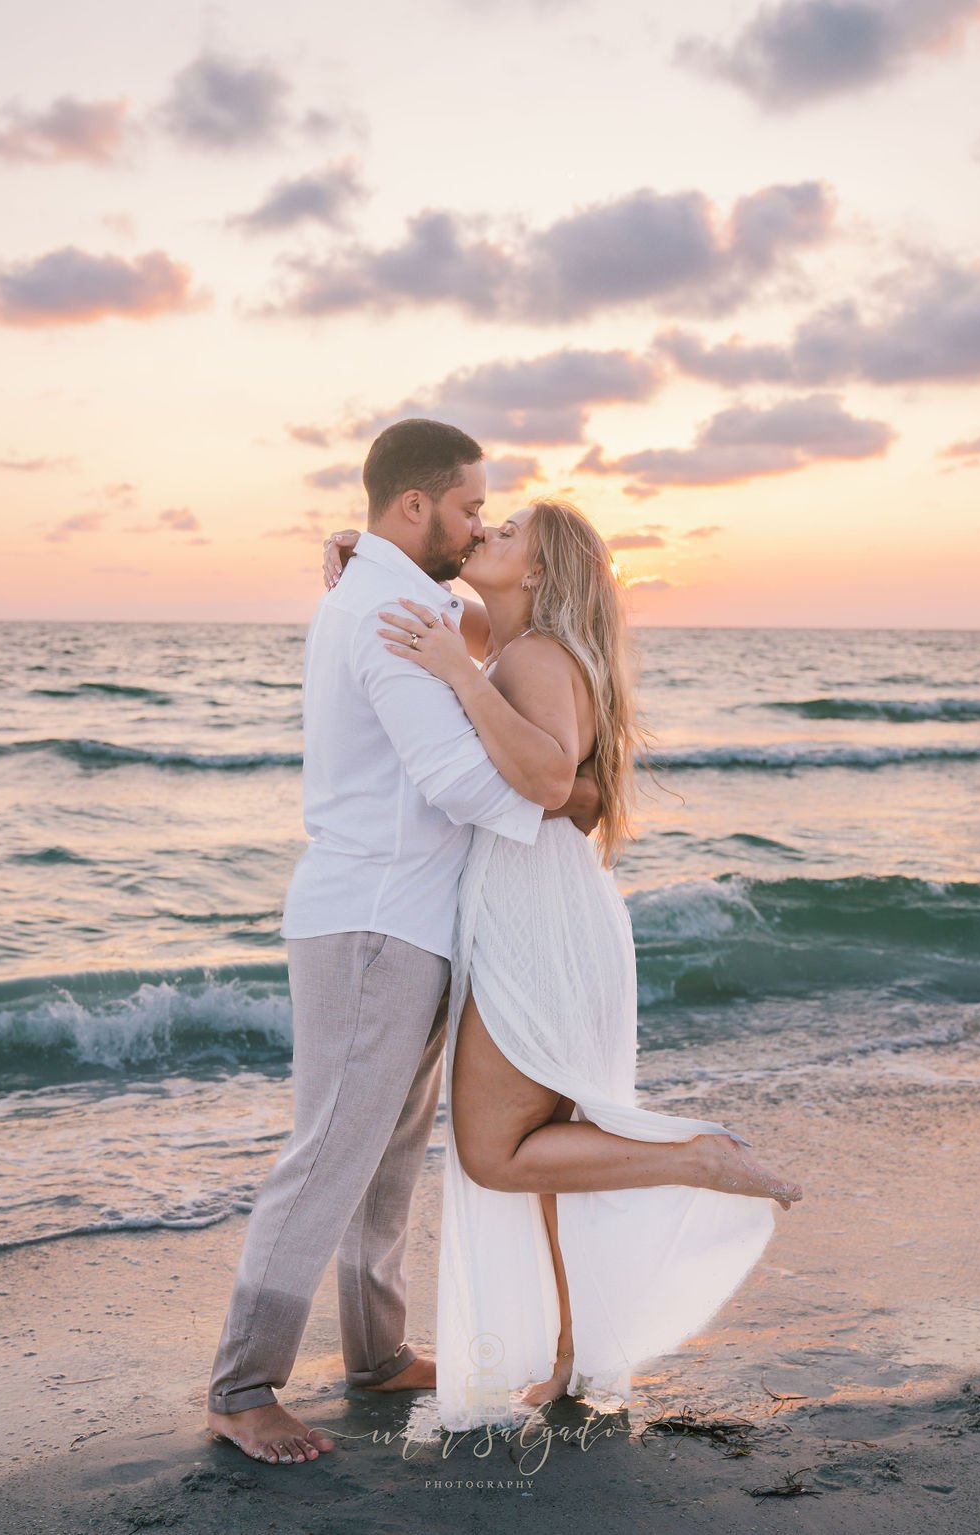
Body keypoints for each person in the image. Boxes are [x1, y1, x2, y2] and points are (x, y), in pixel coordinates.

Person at [358, 496, 804, 1429]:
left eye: (508, 531)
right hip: (560, 917)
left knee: (493, 1154)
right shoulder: (531, 645)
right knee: (554, 1160)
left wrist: (456, 673)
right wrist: (374, 559)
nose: (487, 533)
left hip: (536, 926)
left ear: (539, 573)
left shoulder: (529, 658)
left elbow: (556, 777)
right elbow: (573, 775)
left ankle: (696, 1156)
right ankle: (568, 1358)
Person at [205, 420, 600, 1467]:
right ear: (415, 504)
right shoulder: (385, 605)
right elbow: (458, 779)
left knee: (380, 1156)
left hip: (410, 920)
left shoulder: (398, 591)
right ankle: (242, 1386)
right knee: (332, 1150)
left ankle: (376, 1351)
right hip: (372, 919)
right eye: (472, 505)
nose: (481, 524)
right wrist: (559, 798)